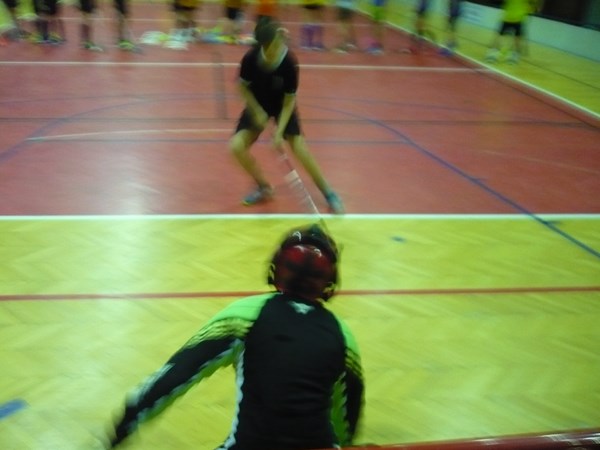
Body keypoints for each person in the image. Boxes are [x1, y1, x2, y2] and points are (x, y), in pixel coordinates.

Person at [105, 223, 365, 449]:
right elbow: (348, 415)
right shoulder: (343, 336)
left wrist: (128, 419)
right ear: (329, 281)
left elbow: (177, 374)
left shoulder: (244, 316)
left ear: (277, 268)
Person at [230, 19, 345, 214]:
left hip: (282, 105)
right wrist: (256, 110)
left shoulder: (289, 62)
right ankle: (263, 187)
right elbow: (242, 87)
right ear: (265, 46)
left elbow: (289, 101)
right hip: (258, 102)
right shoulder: (251, 59)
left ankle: (329, 193)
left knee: (299, 147)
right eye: (275, 44)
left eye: (280, 41)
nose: (280, 46)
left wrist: (279, 131)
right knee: (236, 146)